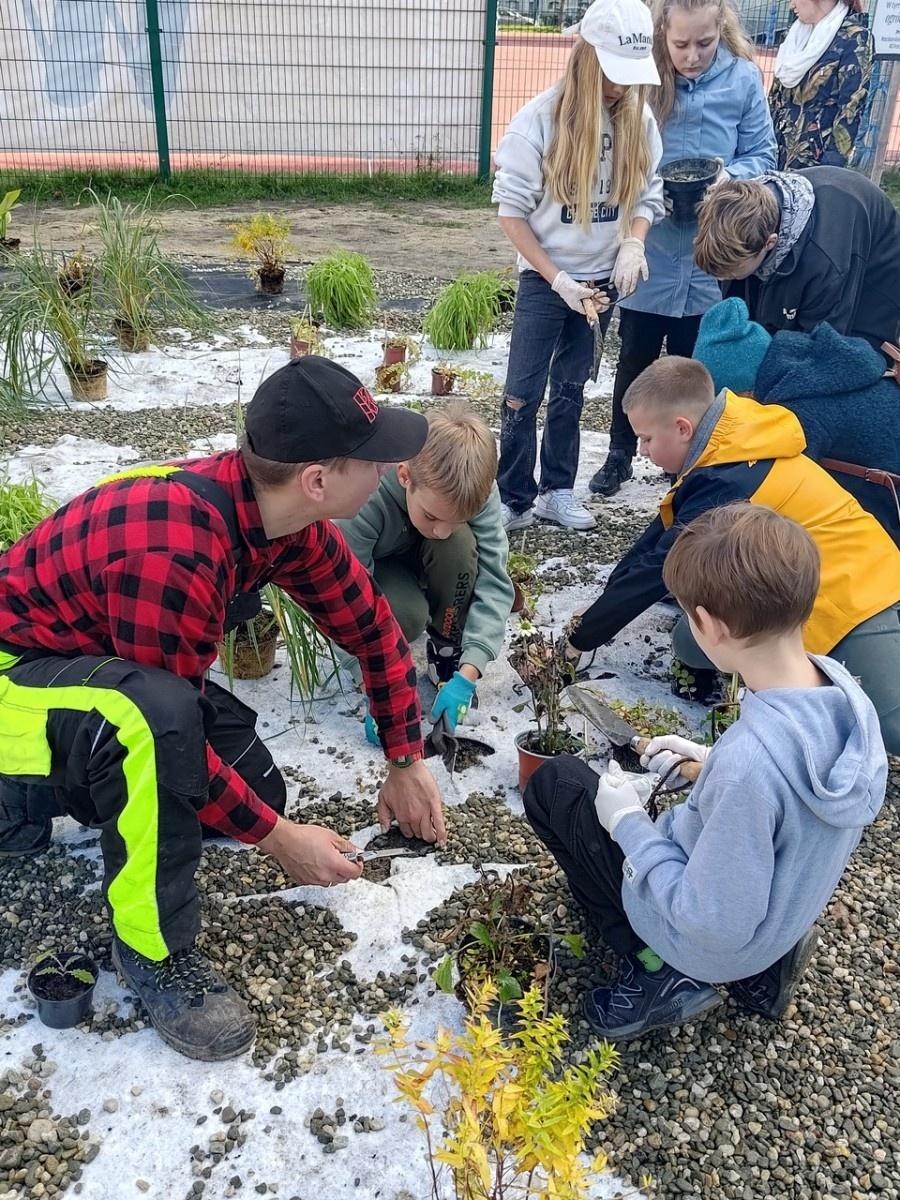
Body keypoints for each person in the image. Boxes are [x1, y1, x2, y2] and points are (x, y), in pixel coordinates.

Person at [0, 355, 446, 1062]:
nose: (393, 465)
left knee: (249, 788)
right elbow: (160, 723)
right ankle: (153, 953)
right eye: (375, 456)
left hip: (88, 675)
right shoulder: (177, 549)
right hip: (12, 683)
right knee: (158, 733)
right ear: (318, 480)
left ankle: (31, 801)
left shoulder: (274, 516)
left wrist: (404, 758)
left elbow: (374, 631)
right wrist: (279, 839)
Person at [526, 504, 887, 1042]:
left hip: (715, 939)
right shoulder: (845, 697)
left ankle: (658, 968)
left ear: (710, 627)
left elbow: (711, 922)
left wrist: (627, 822)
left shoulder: (749, 769)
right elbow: (784, 791)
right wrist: (709, 761)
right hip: (780, 916)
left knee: (556, 785)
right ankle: (763, 969)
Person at [566, 356, 900, 753]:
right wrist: (602, 602)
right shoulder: (727, 440)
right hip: (785, 581)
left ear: (682, 428)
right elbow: (658, 540)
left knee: (889, 728)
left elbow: (656, 568)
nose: (640, 450)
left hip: (857, 588)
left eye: (647, 439)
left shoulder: (733, 478)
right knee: (691, 640)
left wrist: (580, 639)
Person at [590, 0, 776, 499]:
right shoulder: (645, 79)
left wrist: (726, 179)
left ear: (722, 31)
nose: (692, 56)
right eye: (680, 45)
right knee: (636, 360)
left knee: (699, 370)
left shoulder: (741, 80)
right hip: (653, 249)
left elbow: (764, 153)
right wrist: (648, 194)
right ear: (661, 36)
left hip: (710, 257)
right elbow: (620, 145)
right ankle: (620, 453)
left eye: (704, 44)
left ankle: (691, 468)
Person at [491, 0, 665, 533]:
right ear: (587, 58)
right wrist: (556, 278)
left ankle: (557, 490)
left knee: (571, 388)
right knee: (523, 388)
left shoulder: (639, 119)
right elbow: (512, 213)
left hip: (601, 283)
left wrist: (634, 245)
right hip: (548, 280)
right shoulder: (538, 123)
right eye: (612, 74)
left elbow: (646, 194)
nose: (620, 88)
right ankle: (513, 495)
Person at [335, 402, 514, 736]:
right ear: (405, 476)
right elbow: (341, 598)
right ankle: (392, 657)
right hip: (383, 569)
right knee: (408, 615)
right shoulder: (365, 494)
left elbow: (494, 577)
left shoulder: (476, 489)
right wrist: (372, 686)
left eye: (456, 519)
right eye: (432, 516)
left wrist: (470, 672)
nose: (442, 529)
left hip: (437, 563)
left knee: (458, 545)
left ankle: (447, 644)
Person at [693, 298, 900, 541]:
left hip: (885, 507)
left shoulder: (797, 412)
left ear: (745, 393)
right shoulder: (805, 365)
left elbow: (777, 490)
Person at [693, 166, 900, 352]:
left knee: (839, 356)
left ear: (769, 243)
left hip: (874, 281)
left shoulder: (824, 261)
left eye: (732, 273)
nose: (725, 278)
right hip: (804, 249)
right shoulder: (739, 212)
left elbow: (826, 339)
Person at [768, 0, 872, 170]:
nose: (791, 5)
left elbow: (850, 111)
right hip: (775, 155)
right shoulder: (794, 35)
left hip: (814, 165)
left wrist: (828, 171)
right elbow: (775, 98)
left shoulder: (854, 39)